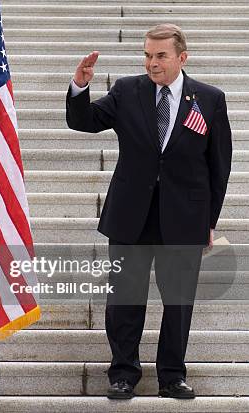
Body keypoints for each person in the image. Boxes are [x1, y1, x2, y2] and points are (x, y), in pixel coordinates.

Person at [65, 24, 232, 399]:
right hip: (130, 217)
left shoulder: (209, 99)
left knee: (178, 302)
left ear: (181, 58)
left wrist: (209, 223)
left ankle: (172, 376)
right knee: (124, 298)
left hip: (184, 219)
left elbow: (219, 166)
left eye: (160, 56)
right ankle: (123, 374)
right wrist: (80, 86)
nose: (151, 63)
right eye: (147, 55)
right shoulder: (127, 90)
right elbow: (84, 121)